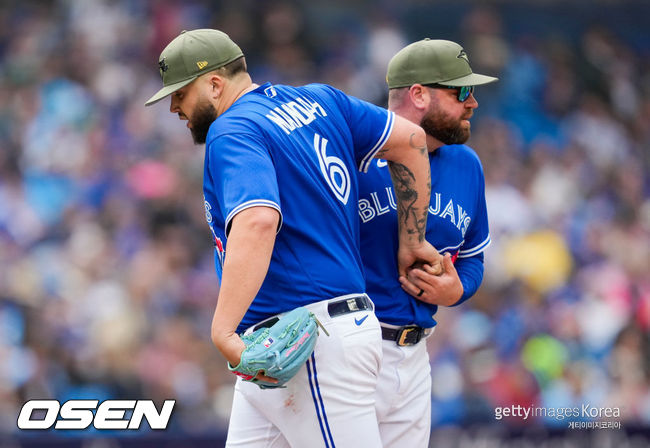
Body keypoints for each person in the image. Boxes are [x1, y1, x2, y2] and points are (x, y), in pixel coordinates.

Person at [145, 29, 441, 447]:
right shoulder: (321, 99)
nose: (174, 106)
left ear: (214, 83)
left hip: (312, 343)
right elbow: (411, 140)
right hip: (290, 347)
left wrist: (223, 331)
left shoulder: (232, 129)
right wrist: (413, 240)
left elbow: (258, 220)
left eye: (181, 92)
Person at [358, 39, 498, 447]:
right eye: (462, 92)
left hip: (416, 355)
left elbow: (472, 258)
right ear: (418, 94)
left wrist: (459, 289)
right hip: (351, 350)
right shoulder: (356, 155)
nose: (472, 103)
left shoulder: (466, 164)